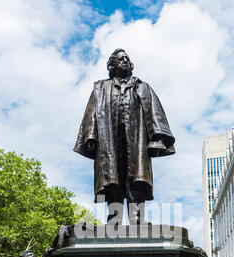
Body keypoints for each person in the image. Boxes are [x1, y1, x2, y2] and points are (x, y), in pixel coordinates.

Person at [74, 48, 175, 225]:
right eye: (121, 59)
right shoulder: (100, 89)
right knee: (112, 180)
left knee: (136, 179)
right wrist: (90, 136)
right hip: (109, 142)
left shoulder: (142, 87)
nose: (125, 61)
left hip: (136, 142)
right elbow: (91, 114)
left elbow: (155, 113)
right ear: (112, 65)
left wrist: (157, 138)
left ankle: (137, 220)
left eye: (127, 59)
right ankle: (114, 220)